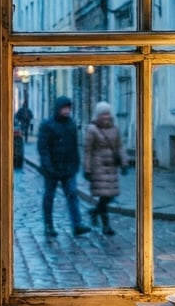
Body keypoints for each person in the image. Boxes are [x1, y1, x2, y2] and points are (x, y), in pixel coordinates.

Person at [37, 95, 90, 236]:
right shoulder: (47, 125)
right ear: (58, 109)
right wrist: (48, 166)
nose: (66, 111)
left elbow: (73, 147)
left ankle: (77, 224)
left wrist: (76, 163)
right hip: (52, 169)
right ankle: (49, 225)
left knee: (72, 194)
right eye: (64, 108)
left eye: (68, 108)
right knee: (49, 196)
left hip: (68, 169)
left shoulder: (71, 125)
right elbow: (43, 148)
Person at [82, 101, 127, 236]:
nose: (106, 116)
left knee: (109, 196)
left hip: (112, 167)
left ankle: (94, 212)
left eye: (107, 113)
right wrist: (87, 169)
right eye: (103, 114)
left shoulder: (115, 128)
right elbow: (88, 150)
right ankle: (106, 226)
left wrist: (124, 162)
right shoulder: (92, 129)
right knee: (104, 195)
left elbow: (119, 146)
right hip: (98, 168)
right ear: (98, 115)